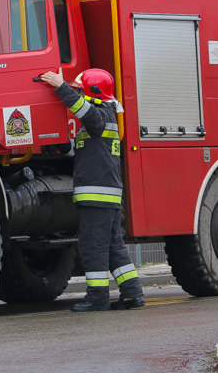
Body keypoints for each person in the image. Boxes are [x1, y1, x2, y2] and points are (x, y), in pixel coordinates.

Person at [39, 68, 144, 312]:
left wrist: (60, 86)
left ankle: (97, 298)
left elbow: (83, 110)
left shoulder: (101, 116)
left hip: (98, 196)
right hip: (104, 195)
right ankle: (132, 293)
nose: (78, 93)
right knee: (113, 246)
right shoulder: (102, 119)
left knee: (92, 245)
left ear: (93, 92)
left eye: (80, 89)